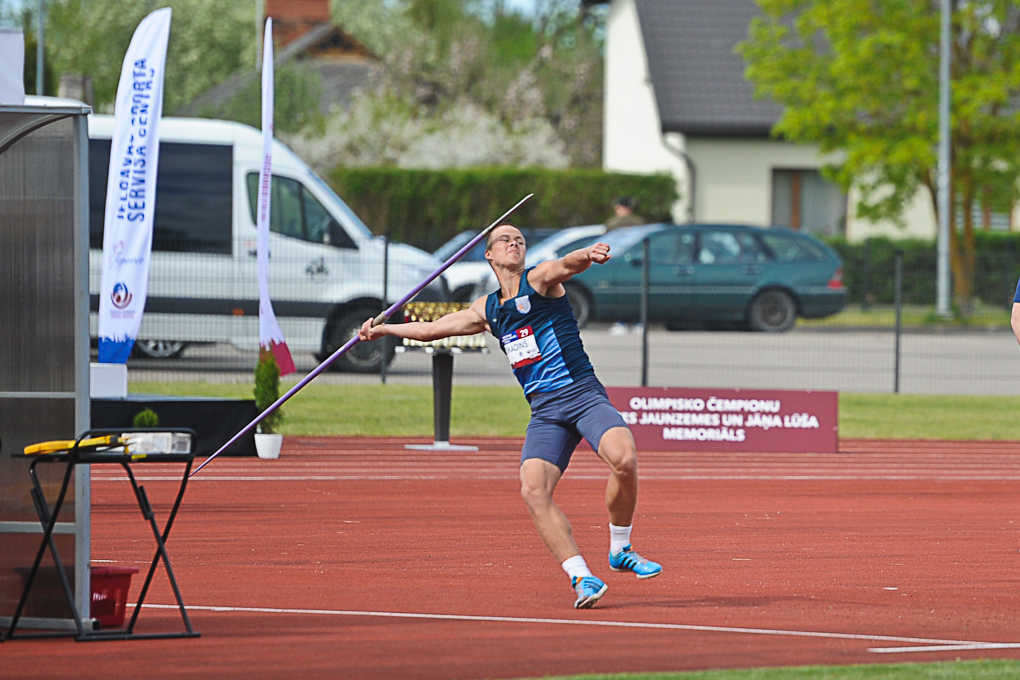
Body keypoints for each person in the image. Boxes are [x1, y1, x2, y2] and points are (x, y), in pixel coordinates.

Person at [359, 224, 661, 609]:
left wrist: (587, 254)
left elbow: (565, 265)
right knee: (533, 490)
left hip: (582, 394)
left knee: (625, 459)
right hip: (545, 411)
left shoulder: (539, 282)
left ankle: (620, 547)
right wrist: (384, 328)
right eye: (504, 239)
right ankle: (581, 576)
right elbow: (432, 330)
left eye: (519, 239)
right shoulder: (486, 310)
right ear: (489, 254)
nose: (514, 243)